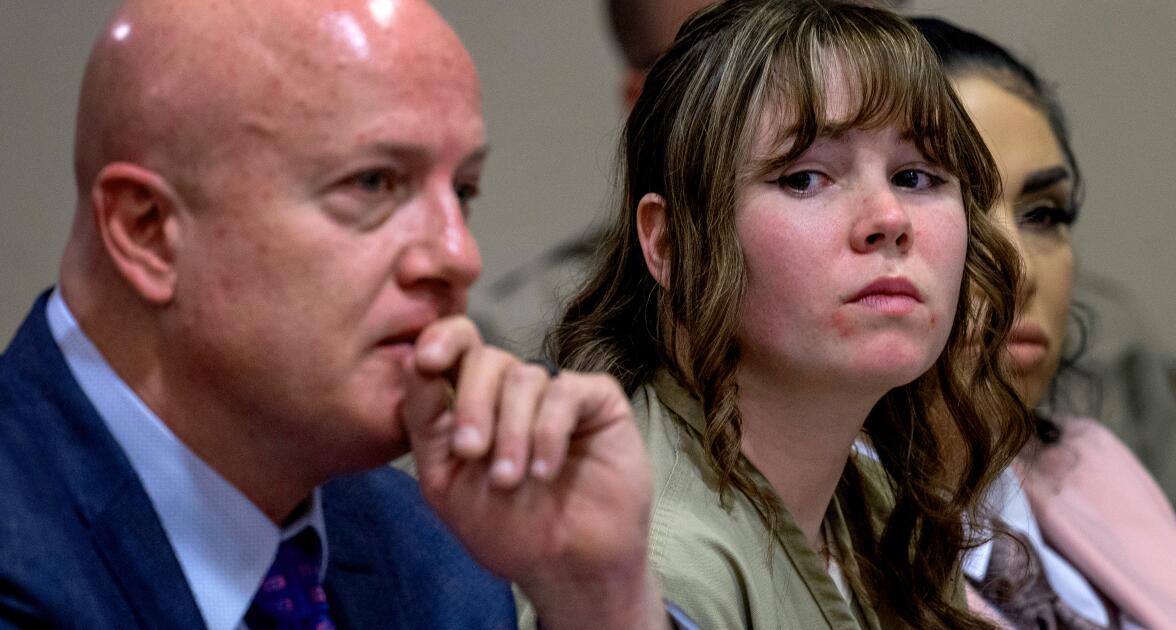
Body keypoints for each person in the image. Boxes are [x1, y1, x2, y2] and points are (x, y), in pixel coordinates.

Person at [0, 1, 688, 628]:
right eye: (373, 183)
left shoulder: (436, 553)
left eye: (463, 191)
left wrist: (602, 598)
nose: (459, 256)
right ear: (147, 231)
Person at [549, 1, 1029, 627]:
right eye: (805, 178)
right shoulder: (657, 564)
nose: (888, 219)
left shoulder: (880, 506)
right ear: (669, 244)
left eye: (915, 176)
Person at [913, 17, 1176, 629]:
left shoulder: (1095, 468)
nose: (1018, 269)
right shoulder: (812, 543)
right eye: (956, 204)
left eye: (1044, 214)